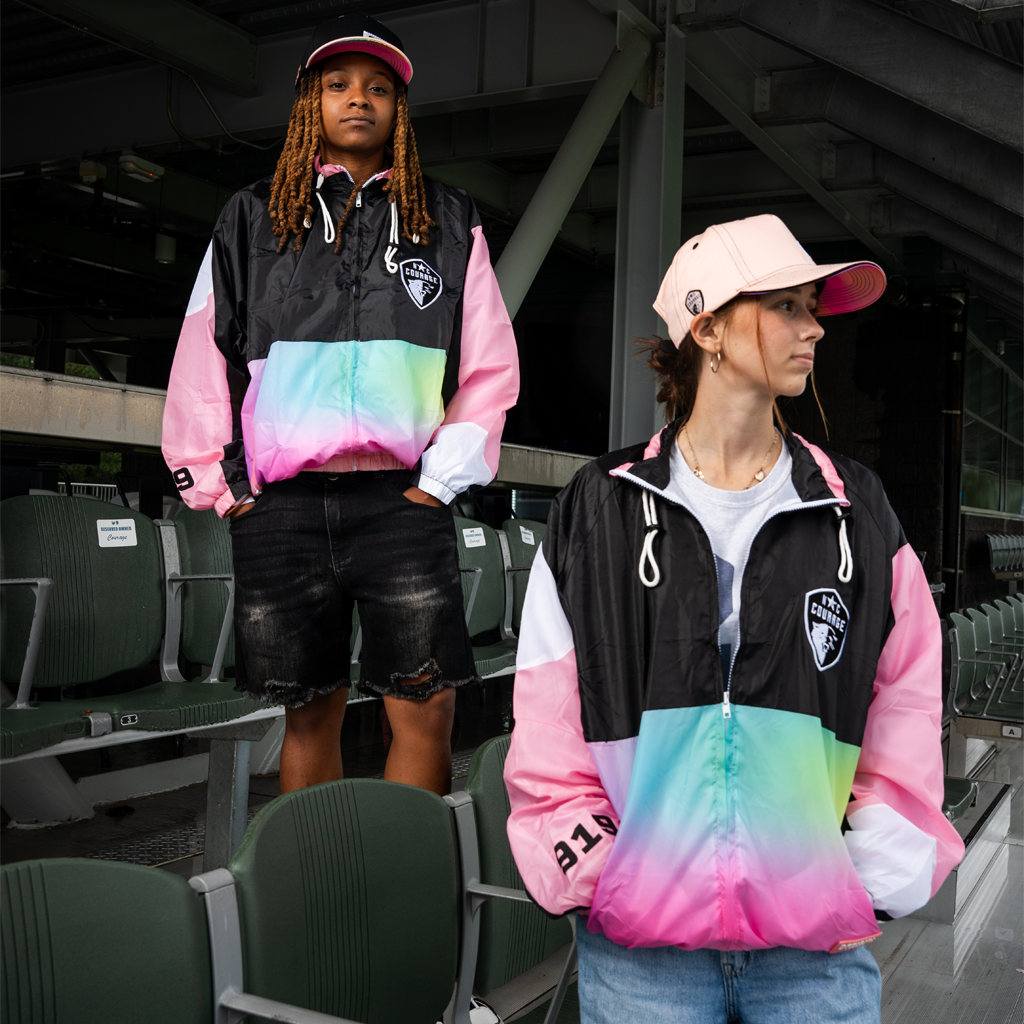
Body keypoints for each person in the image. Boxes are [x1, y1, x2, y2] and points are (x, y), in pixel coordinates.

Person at [504, 214, 963, 1022]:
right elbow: (549, 720)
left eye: (811, 307)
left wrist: (858, 871)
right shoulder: (597, 508)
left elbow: (910, 699)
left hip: (812, 957)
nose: (814, 326)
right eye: (786, 305)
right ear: (707, 325)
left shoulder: (857, 508)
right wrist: (605, 876)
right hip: (643, 957)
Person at [162, 13, 519, 796]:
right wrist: (227, 487)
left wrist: (439, 480)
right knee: (309, 713)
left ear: (399, 108)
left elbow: (488, 364)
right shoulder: (253, 215)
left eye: (379, 88)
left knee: (425, 709)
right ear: (309, 103)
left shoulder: (449, 218)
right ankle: (316, 881)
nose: (359, 99)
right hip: (281, 505)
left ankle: (409, 875)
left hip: (401, 501)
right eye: (339, 85)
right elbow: (204, 351)